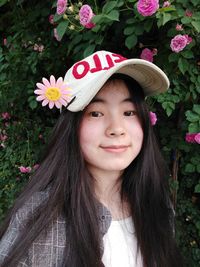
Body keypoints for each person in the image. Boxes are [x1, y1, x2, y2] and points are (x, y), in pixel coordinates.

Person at [0, 51, 183, 267]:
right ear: (72, 127)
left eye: (129, 112)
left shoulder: (157, 205)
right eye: (96, 113)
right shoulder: (38, 220)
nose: (116, 128)